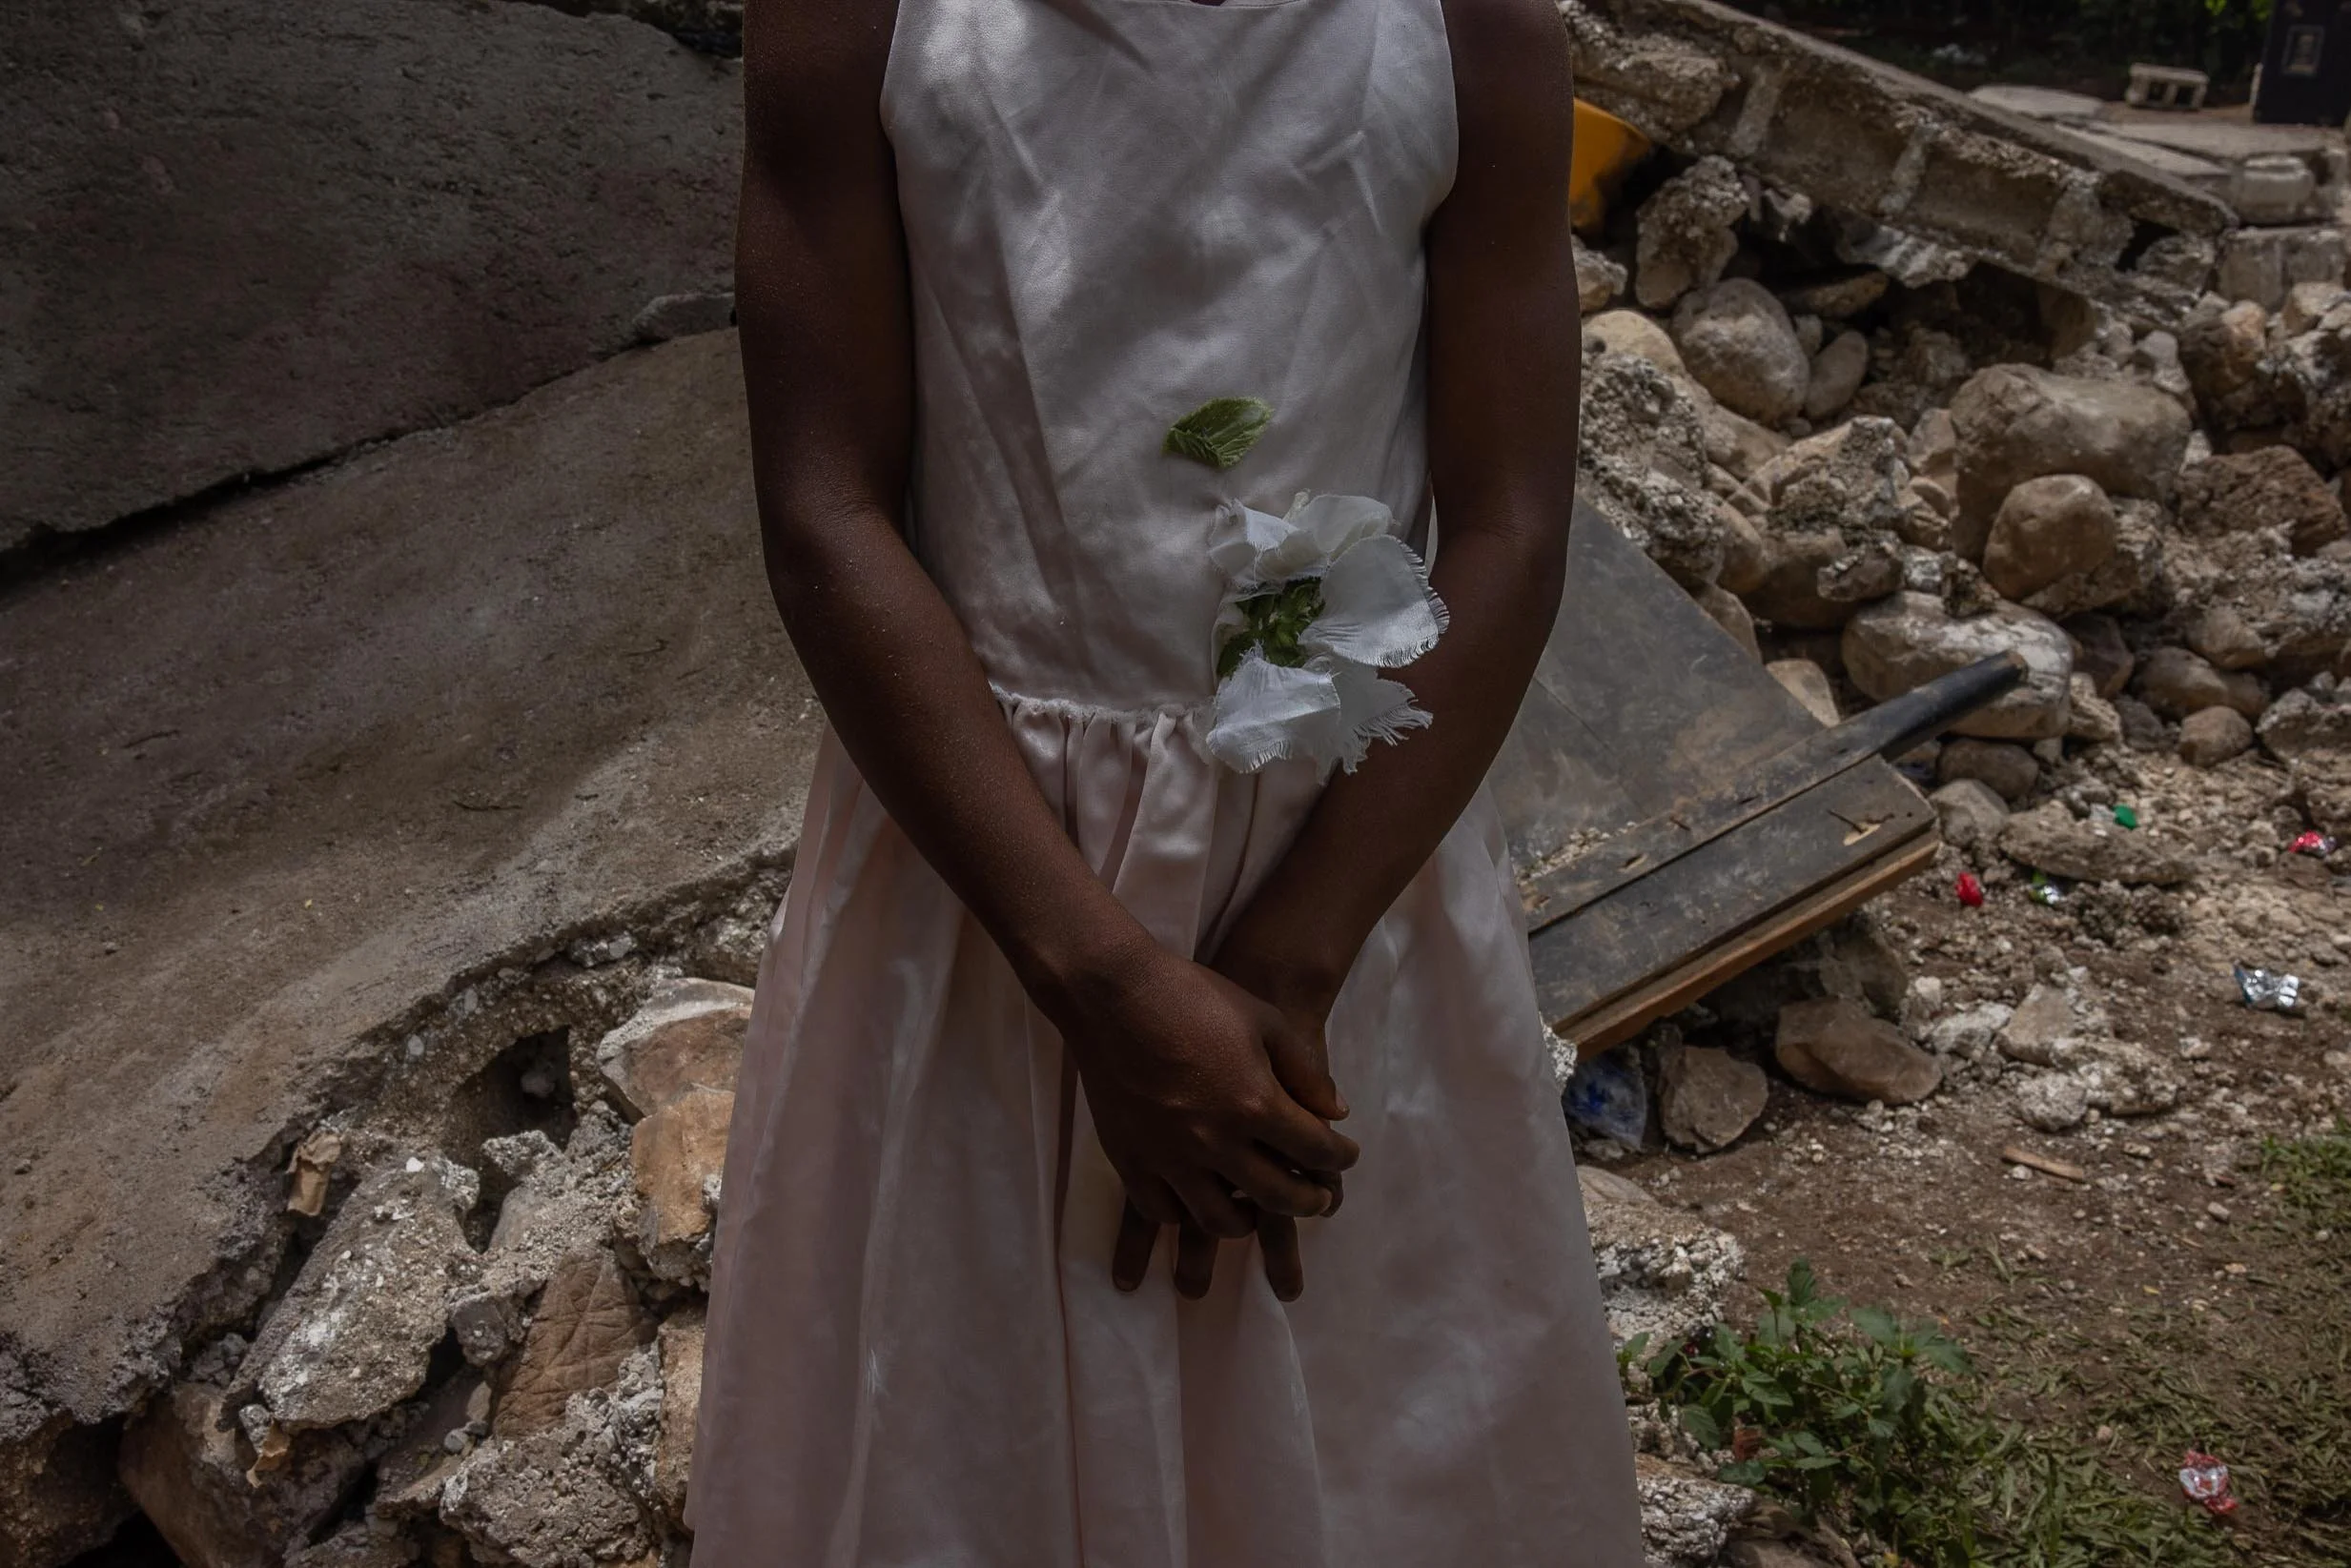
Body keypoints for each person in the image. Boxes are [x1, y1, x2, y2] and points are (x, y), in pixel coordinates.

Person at [689, 0, 1646, 1556]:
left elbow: (1511, 524)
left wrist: (1284, 965)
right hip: (990, 873)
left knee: (1373, 1432)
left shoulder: (1467, 26)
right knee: (964, 1423)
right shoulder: (857, 21)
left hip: (1342, 874)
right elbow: (826, 507)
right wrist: (1101, 981)